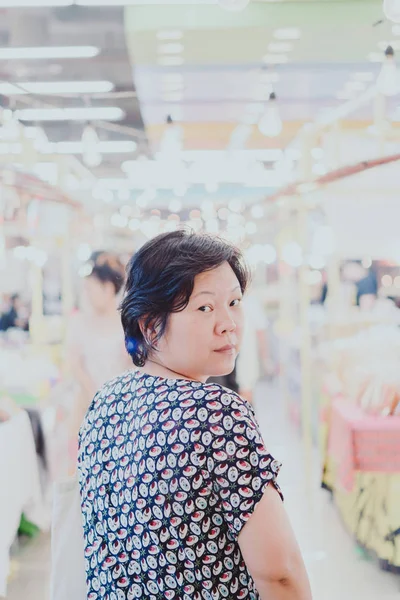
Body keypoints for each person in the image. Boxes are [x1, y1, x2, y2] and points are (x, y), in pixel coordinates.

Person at [78, 231, 312, 600]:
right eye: (205, 308)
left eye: (234, 302)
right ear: (151, 325)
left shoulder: (106, 400)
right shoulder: (216, 412)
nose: (228, 323)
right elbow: (279, 573)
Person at [66, 252, 130, 468]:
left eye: (92, 289)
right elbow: (74, 364)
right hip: (86, 403)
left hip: (120, 405)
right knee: (83, 465)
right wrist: (95, 395)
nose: (88, 295)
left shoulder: (126, 323)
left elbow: (133, 364)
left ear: (109, 288)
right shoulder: (79, 322)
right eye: (86, 289)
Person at [236, 291, 273, 405]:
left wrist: (265, 358)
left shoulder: (250, 302)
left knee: (245, 394)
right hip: (235, 360)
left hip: (245, 359)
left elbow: (261, 332)